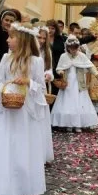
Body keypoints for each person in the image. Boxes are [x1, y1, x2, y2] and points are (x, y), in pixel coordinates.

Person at [0, 22, 47, 195]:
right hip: (7, 109)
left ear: (22, 40)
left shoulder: (36, 62)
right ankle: (2, 188)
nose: (8, 40)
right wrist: (3, 91)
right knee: (5, 146)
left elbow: (41, 87)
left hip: (24, 111)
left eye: (11, 37)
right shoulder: (6, 59)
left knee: (21, 147)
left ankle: (21, 187)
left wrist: (28, 82)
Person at [51, 35, 98, 132]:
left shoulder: (82, 56)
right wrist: (61, 72)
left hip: (79, 83)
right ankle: (68, 124)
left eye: (75, 48)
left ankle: (79, 124)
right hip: (67, 84)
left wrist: (97, 75)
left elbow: (90, 66)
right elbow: (58, 68)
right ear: (67, 48)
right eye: (71, 48)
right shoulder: (63, 56)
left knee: (79, 102)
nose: (74, 50)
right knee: (68, 103)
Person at [34, 22, 54, 163]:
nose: (41, 40)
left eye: (43, 38)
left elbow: (50, 69)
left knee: (42, 118)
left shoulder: (47, 52)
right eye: (39, 37)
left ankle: (41, 152)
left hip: (42, 88)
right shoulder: (31, 51)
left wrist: (48, 75)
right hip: (30, 87)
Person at [47, 19, 66, 96]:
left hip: (58, 68)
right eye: (49, 28)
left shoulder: (61, 39)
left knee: (56, 91)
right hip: (46, 67)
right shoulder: (43, 38)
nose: (50, 30)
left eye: (52, 28)